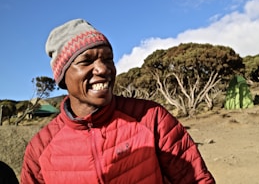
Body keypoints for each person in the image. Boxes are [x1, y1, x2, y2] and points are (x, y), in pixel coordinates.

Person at [20, 19, 215, 184]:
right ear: (62, 77)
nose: (103, 69)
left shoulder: (151, 119)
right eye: (86, 61)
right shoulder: (40, 149)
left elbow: (196, 179)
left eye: (108, 59)